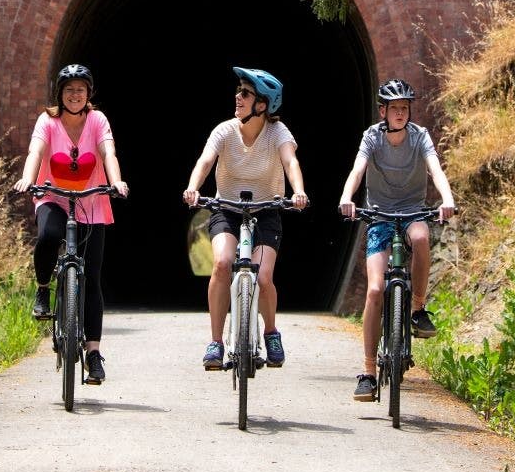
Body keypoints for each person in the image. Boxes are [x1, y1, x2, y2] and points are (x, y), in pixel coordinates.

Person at [337, 78, 456, 401]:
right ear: (383, 112)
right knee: (375, 289)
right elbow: (357, 170)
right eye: (395, 109)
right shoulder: (372, 138)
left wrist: (447, 199)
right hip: (378, 216)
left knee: (420, 237)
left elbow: (436, 170)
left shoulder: (420, 137)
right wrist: (347, 197)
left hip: (412, 211)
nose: (401, 114)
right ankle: (368, 372)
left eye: (405, 108)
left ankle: (417, 308)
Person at [182, 66, 309, 370]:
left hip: (266, 212)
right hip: (226, 209)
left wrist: (299, 191)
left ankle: (270, 332)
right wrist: (193, 187)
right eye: (238, 91)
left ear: (262, 104)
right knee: (223, 264)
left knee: (263, 277)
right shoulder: (224, 131)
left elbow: (290, 161)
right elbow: (205, 160)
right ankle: (215, 341)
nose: (237, 97)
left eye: (245, 93)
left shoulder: (278, 132)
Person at [13, 64, 128, 385]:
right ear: (60, 95)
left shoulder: (97, 120)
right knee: (49, 235)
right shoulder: (47, 121)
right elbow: (36, 150)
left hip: (92, 200)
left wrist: (116, 181)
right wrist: (27, 178)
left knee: (91, 277)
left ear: (88, 93)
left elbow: (108, 151)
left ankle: (93, 352)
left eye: (80, 89)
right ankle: (42, 289)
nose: (75, 95)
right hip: (53, 196)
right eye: (69, 90)